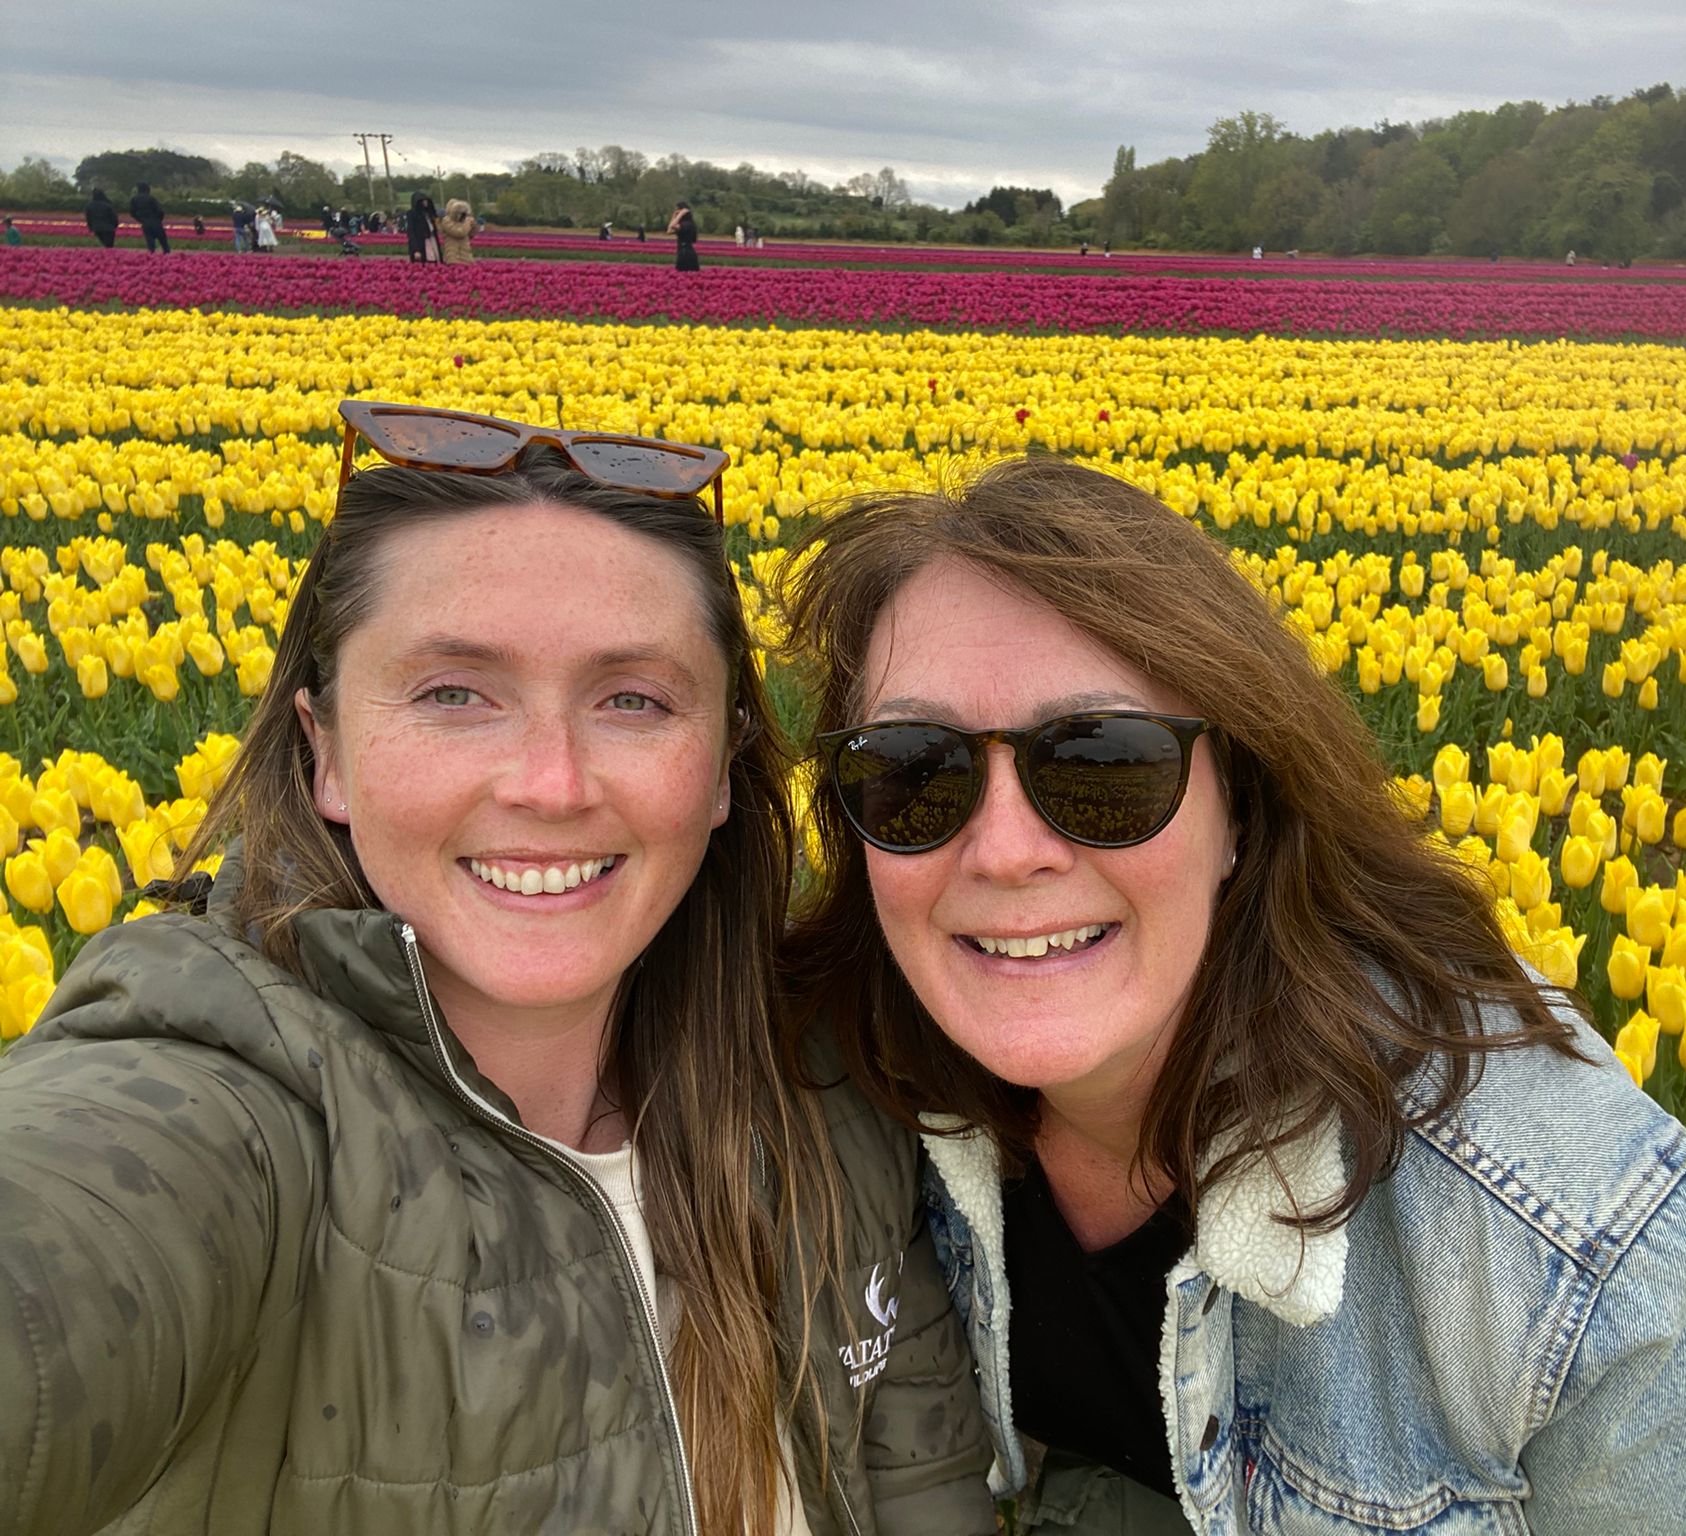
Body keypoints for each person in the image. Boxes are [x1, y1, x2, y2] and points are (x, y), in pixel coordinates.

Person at [774, 456, 1686, 1536]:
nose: (1001, 851)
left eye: (1101, 762)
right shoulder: (839, 1080)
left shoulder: (1554, 1226)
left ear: (1241, 806)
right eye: (912, 770)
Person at [0, 403, 996, 1536]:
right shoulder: (224, 1104)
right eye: (452, 693)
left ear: (723, 765)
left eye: (633, 699)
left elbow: (924, 1492)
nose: (550, 783)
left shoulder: (828, 1104)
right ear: (322, 751)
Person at [130, 181, 170, 253]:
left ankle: (151, 257)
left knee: (150, 243)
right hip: (155, 221)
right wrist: (159, 219)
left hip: (145, 222)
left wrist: (140, 219)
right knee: (163, 242)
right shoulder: (151, 198)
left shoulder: (134, 199)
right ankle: (166, 256)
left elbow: (132, 213)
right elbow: (160, 211)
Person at [438, 197, 479, 264]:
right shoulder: (446, 221)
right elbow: (459, 233)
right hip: (454, 255)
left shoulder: (463, 221)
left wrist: (474, 226)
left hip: (465, 254)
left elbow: (470, 235)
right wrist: (467, 223)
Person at [406, 191, 440, 263]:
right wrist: (416, 250)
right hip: (421, 242)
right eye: (423, 201)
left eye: (426, 200)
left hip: (432, 240)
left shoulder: (428, 214)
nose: (426, 202)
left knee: (435, 260)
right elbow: (411, 233)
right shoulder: (412, 215)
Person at [667, 199, 699, 271]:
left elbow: (672, 226)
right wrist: (674, 216)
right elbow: (669, 231)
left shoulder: (687, 225)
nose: (676, 211)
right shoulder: (683, 224)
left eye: (678, 210)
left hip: (686, 252)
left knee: (684, 271)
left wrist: (680, 215)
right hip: (682, 250)